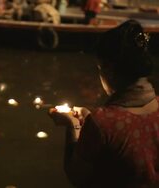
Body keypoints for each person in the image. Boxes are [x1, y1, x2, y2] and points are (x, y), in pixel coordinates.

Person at [49, 19, 159, 188]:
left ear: (108, 69)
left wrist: (73, 126)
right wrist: (89, 117)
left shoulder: (103, 123)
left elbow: (77, 176)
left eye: (99, 69)